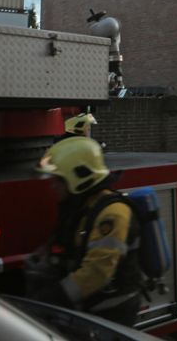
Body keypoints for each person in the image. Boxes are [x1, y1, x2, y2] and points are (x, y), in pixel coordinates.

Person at [28, 134, 143, 325]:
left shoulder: (112, 214)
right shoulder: (82, 206)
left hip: (112, 312)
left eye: (58, 180)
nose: (52, 185)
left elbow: (97, 272)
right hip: (91, 307)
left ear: (78, 177)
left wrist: (55, 296)